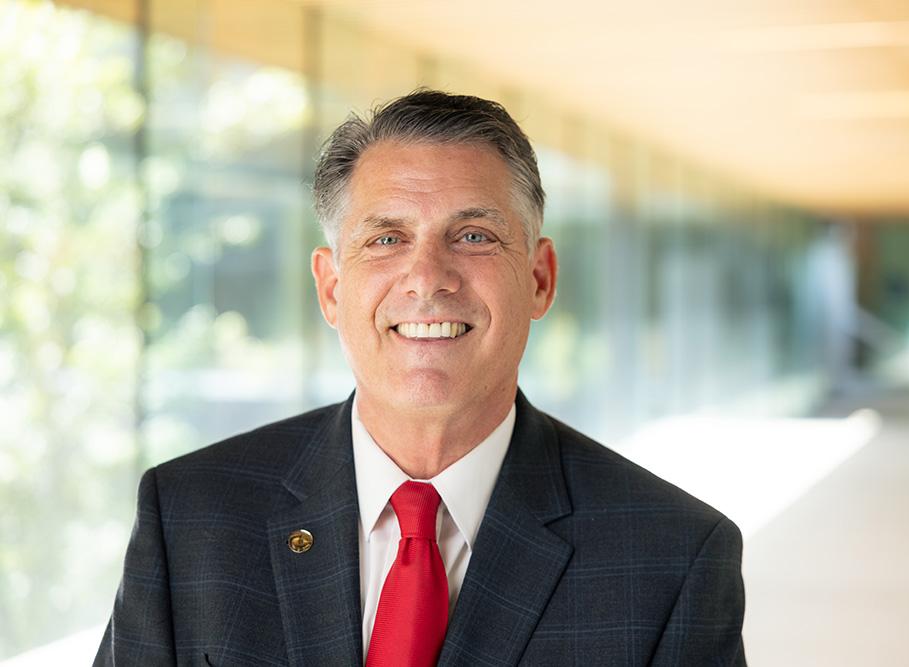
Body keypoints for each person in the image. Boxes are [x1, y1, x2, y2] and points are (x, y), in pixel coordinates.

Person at [96, 90, 746, 666]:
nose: (428, 276)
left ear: (540, 278)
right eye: (385, 239)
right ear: (330, 286)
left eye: (473, 235)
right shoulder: (189, 516)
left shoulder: (674, 558)